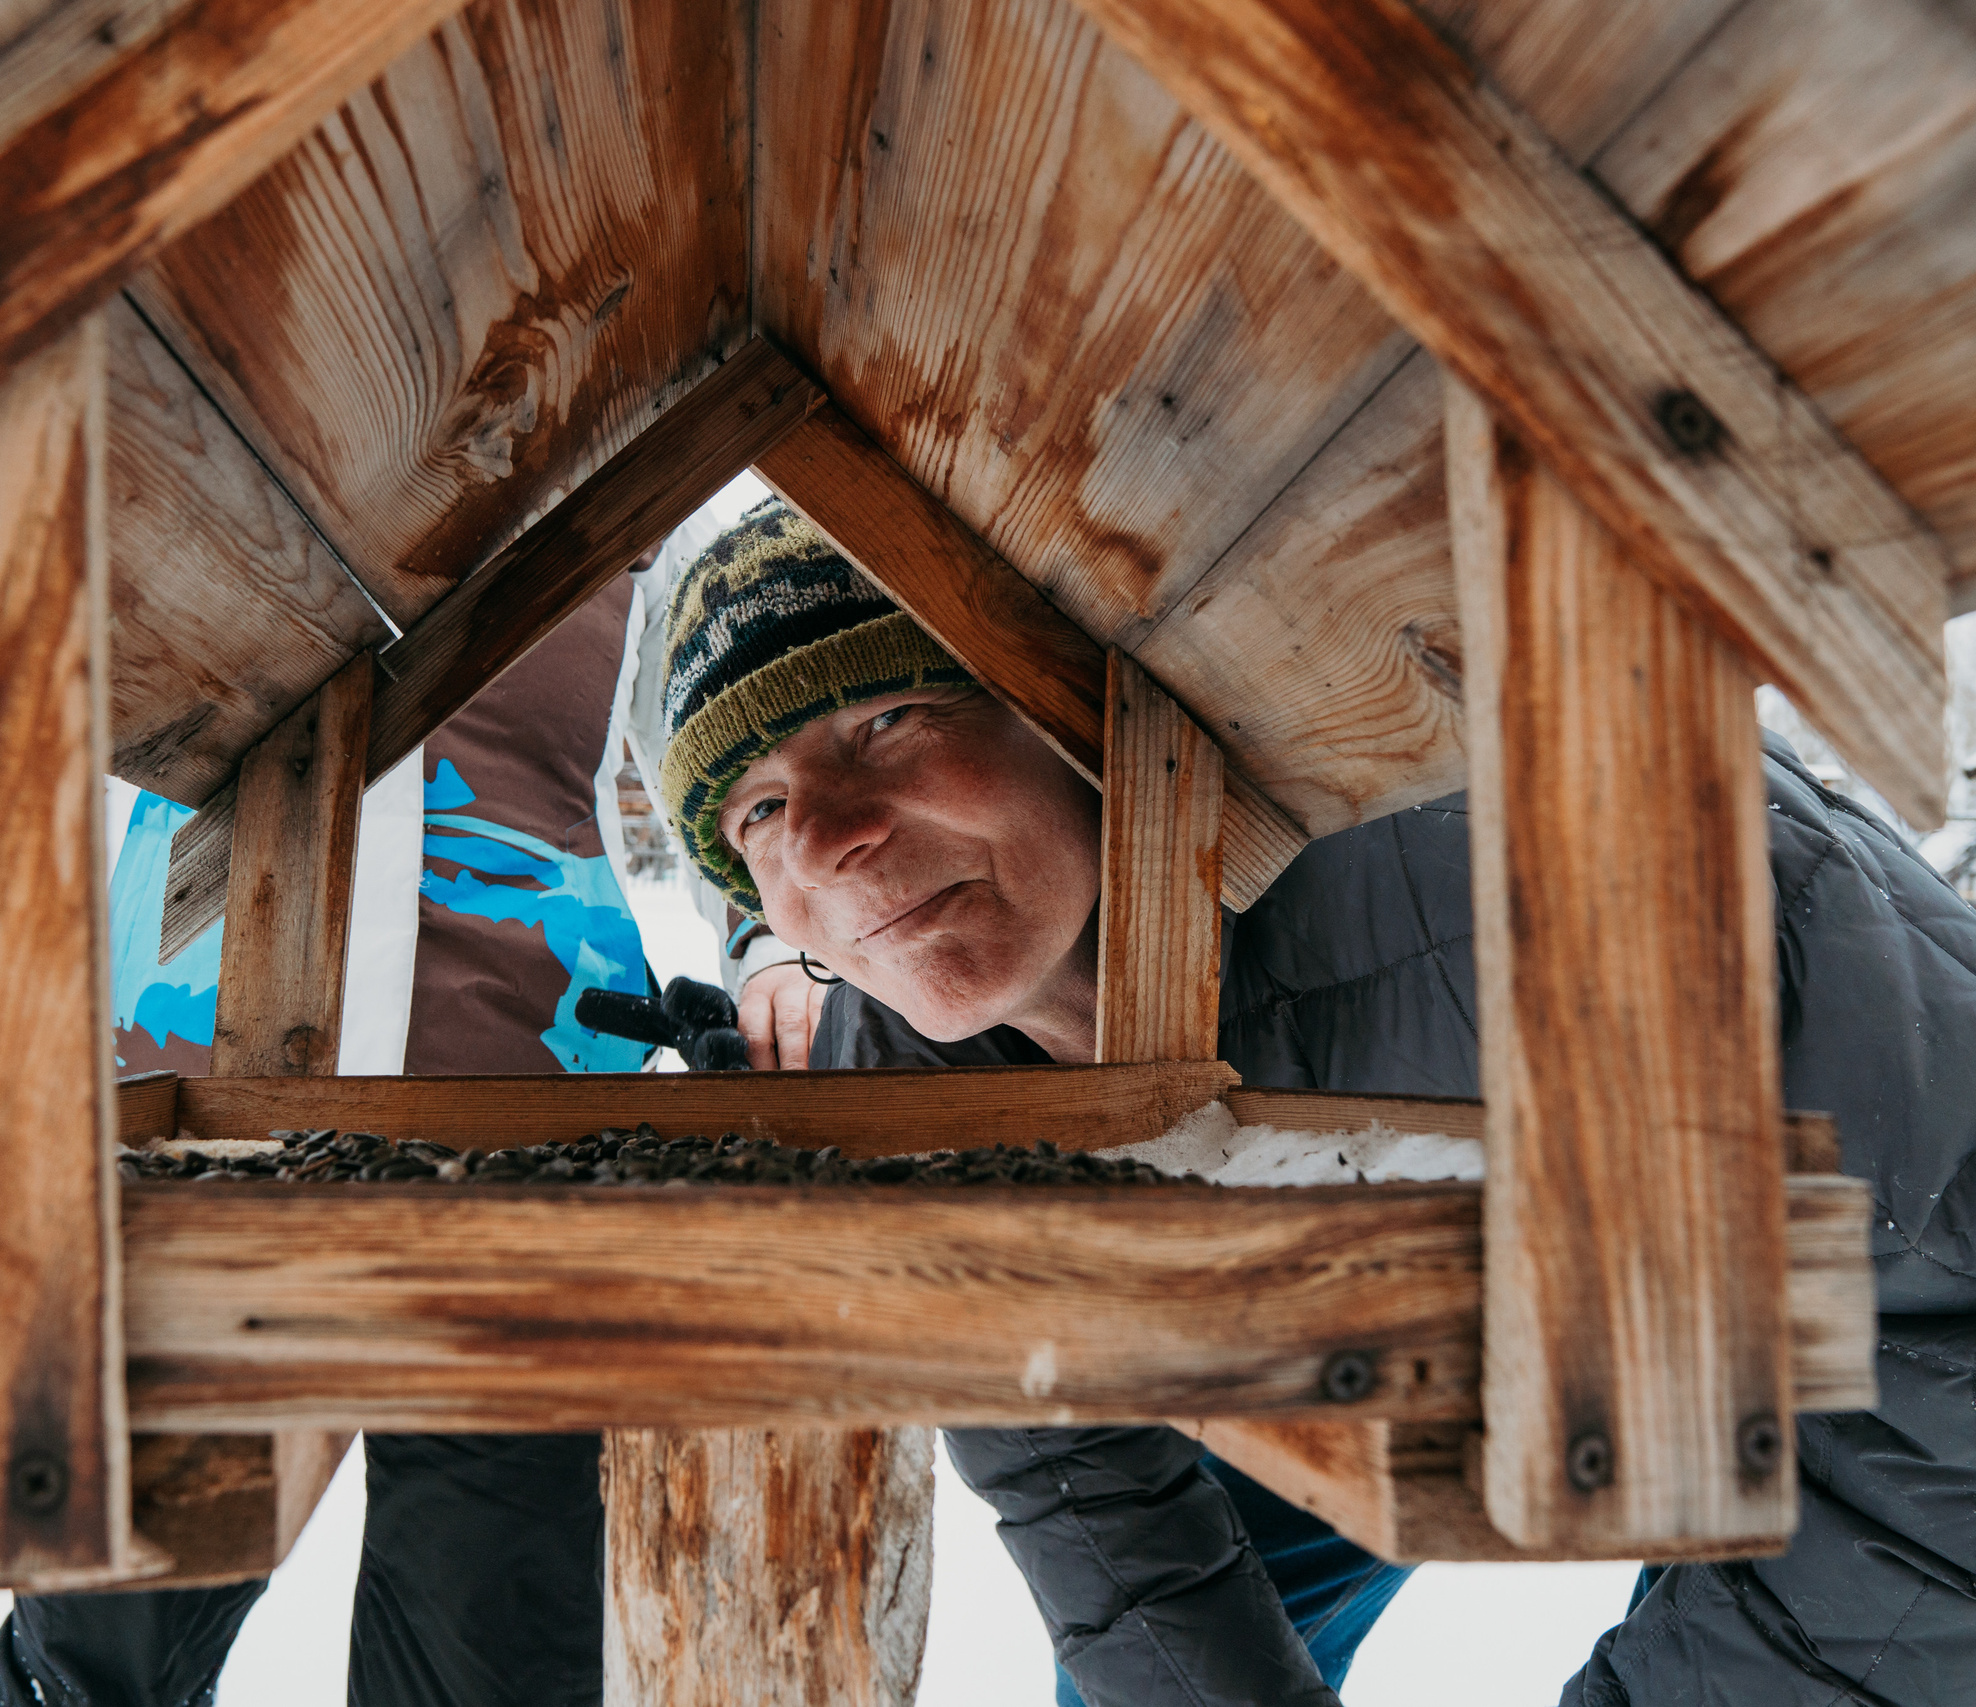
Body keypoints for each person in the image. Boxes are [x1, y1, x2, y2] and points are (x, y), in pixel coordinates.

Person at [648, 498, 1976, 1704]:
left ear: (1066, 712)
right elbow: (1076, 1467)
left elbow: (1945, 1416)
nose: (826, 838)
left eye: (888, 717)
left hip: (1856, 1373)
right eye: (760, 805)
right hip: (1384, 1353)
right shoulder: (919, 1070)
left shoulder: (1543, 876)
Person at [0, 485, 832, 1707]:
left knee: (486, 1662)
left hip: (522, 1157)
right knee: (99, 1655)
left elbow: (729, 743)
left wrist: (776, 944)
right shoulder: (158, 457)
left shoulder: (620, 465)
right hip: (200, 1154)